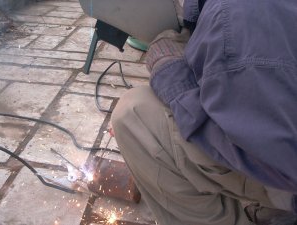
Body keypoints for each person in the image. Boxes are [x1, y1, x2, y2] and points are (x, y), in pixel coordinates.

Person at [111, 0, 297, 224]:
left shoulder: (232, 15)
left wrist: (173, 79)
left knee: (135, 115)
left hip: (285, 177)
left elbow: (273, 156)